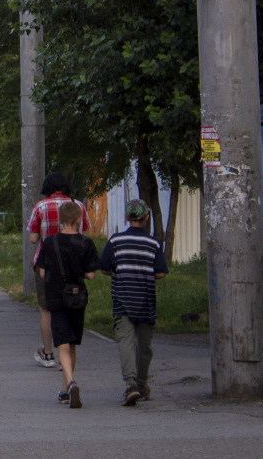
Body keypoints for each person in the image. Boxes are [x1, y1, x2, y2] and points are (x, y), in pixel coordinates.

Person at [99, 199, 168, 406]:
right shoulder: (154, 243)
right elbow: (161, 272)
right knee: (145, 346)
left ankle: (130, 386)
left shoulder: (115, 241)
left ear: (127, 218)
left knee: (126, 343)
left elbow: (104, 268)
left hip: (122, 300)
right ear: (147, 217)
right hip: (146, 300)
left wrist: (122, 272)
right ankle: (142, 385)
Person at [34, 201, 100, 409]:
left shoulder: (50, 242)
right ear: (80, 220)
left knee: (61, 344)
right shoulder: (86, 243)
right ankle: (65, 389)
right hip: (77, 299)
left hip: (55, 298)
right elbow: (90, 275)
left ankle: (70, 382)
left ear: (60, 221)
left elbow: (42, 272)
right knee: (71, 343)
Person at [28, 172, 90, 368]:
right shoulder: (78, 206)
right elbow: (84, 234)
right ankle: (69, 352)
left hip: (47, 265)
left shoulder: (40, 206)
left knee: (47, 308)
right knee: (72, 304)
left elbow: (33, 239)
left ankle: (48, 354)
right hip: (74, 263)